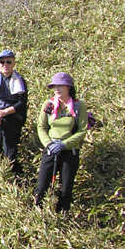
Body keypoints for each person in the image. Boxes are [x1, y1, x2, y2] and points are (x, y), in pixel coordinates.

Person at [34, 72, 88, 213]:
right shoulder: (48, 104)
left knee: (65, 188)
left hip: (70, 151)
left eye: (60, 86)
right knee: (42, 185)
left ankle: (62, 216)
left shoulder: (78, 106)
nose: (56, 89)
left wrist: (64, 144)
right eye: (54, 86)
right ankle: (38, 214)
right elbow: (41, 127)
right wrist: (48, 144)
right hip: (51, 149)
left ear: (68, 87)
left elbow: (82, 130)